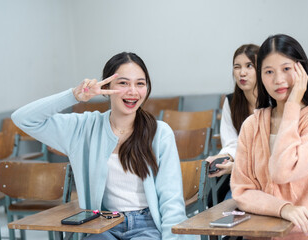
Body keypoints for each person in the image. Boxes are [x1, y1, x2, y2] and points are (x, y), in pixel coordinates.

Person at [11, 52, 193, 240]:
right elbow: (23, 119)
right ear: (106, 87)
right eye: (123, 83)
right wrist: (73, 96)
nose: (133, 91)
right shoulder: (83, 128)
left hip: (147, 225)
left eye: (140, 83)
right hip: (102, 224)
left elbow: (171, 199)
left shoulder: (160, 133)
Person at [231, 34, 308, 239]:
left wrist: (292, 104)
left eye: (287, 69)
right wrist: (283, 208)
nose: (278, 80)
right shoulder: (252, 124)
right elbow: (242, 191)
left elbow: (282, 170)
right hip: (259, 232)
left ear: (302, 70)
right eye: (269, 72)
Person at [206, 44, 259, 202]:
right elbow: (231, 142)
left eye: (249, 66)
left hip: (265, 174)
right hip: (241, 174)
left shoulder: (273, 102)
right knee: (228, 203)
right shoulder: (231, 101)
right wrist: (223, 157)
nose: (242, 73)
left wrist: (237, 167)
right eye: (237, 67)